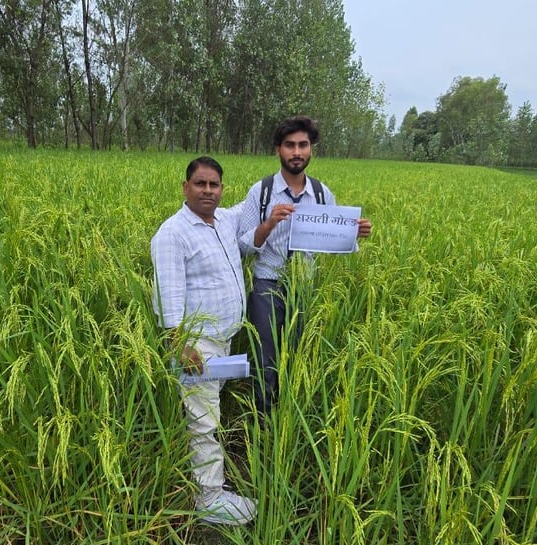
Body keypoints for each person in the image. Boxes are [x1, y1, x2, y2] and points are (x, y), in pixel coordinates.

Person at [238, 115, 373, 417]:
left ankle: (291, 416)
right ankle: (263, 421)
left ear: (311, 149)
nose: (296, 152)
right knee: (266, 358)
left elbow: (334, 243)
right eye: (290, 146)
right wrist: (269, 223)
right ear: (278, 150)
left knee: (298, 355)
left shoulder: (322, 194)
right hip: (267, 285)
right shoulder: (260, 193)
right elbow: (243, 247)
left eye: (303, 145)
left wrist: (355, 234)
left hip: (304, 288)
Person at [150, 156, 257, 526]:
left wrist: (289, 179)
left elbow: (256, 205)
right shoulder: (172, 233)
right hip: (198, 345)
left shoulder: (225, 220)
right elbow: (168, 293)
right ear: (185, 187)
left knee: (206, 408)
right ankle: (209, 498)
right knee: (204, 420)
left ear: (221, 189)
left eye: (214, 185)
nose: (208, 190)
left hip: (225, 337)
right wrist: (179, 342)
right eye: (200, 184)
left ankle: (200, 478)